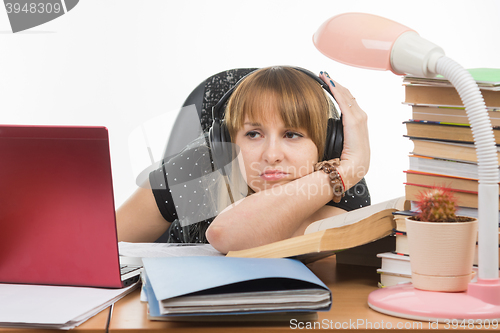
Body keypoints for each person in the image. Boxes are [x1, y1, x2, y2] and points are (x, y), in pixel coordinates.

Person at [116, 66, 370, 254]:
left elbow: (232, 234)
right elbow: (98, 247)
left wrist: (345, 172)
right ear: (226, 141)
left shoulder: (342, 183)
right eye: (253, 134)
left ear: (327, 144)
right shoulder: (201, 167)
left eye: (292, 134)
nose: (271, 155)